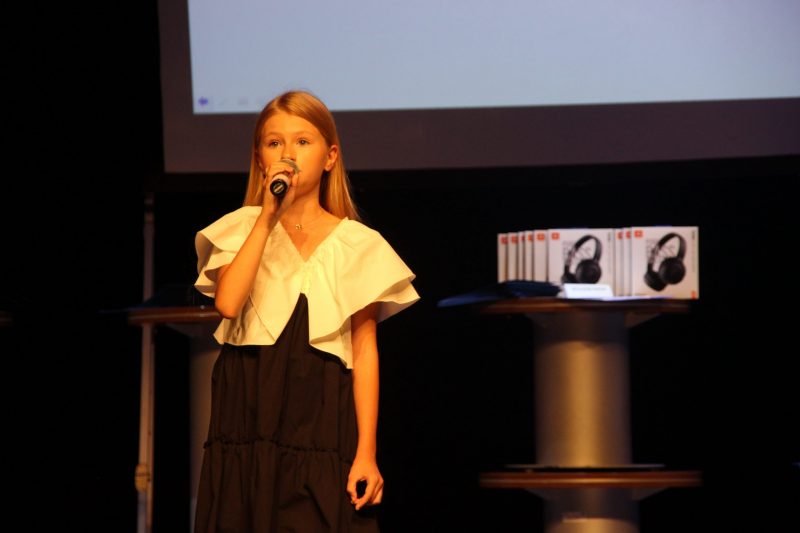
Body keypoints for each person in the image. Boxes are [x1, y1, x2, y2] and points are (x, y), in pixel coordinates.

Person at [193, 90, 419, 532]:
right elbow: (227, 303)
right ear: (259, 159)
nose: (288, 154)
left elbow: (365, 350)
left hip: (319, 425)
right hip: (247, 422)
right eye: (274, 142)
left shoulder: (358, 245)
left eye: (302, 141)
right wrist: (266, 217)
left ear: (330, 156)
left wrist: (367, 453)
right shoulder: (240, 229)